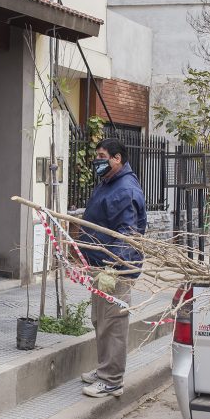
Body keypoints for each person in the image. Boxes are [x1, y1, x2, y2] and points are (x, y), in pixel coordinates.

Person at [78, 138, 147, 398]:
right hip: (100, 265)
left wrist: (112, 268)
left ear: (117, 158)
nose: (98, 160)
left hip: (114, 269)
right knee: (100, 320)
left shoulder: (124, 190)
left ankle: (112, 380)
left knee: (113, 322)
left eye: (102, 155)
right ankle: (104, 369)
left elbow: (127, 234)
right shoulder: (108, 183)